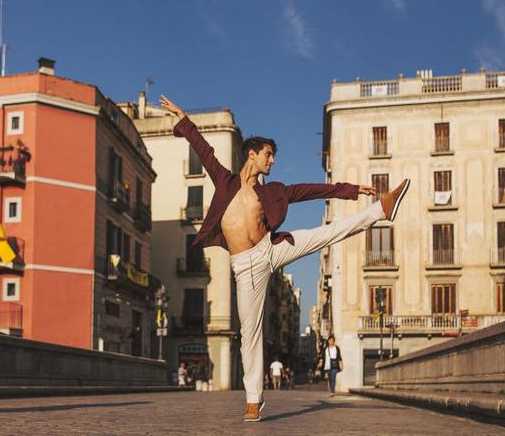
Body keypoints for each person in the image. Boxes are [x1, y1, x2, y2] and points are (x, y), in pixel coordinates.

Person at [159, 96, 410, 422]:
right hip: (244, 267)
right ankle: (253, 400)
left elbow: (307, 191)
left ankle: (381, 209)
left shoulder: (271, 191)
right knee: (249, 334)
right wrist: (183, 118)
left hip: (272, 249)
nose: (272, 161)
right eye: (268, 154)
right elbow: (203, 149)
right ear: (252, 154)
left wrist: (347, 190)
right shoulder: (225, 181)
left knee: (326, 233)